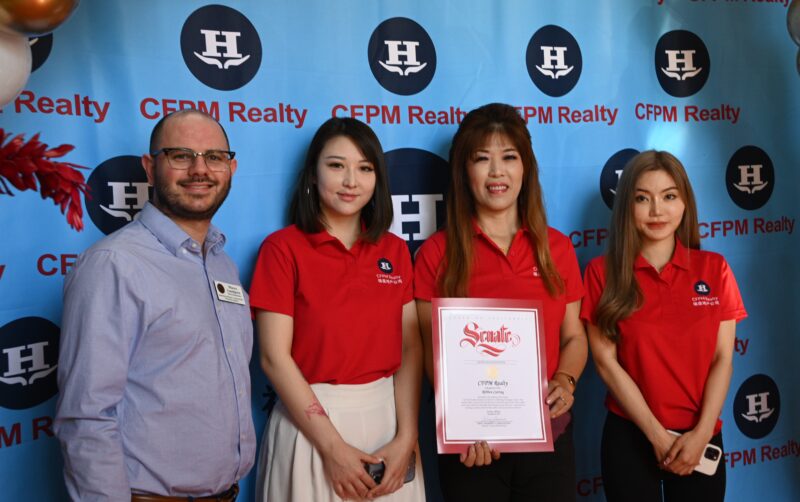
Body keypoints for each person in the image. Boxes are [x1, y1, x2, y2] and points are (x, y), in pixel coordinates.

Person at [54, 109, 256, 501]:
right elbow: (86, 416)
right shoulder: (114, 264)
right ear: (150, 168)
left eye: (214, 157)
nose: (200, 170)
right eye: (181, 155)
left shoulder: (221, 262)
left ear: (230, 168)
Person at [414, 103, 588, 501]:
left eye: (509, 157)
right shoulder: (436, 253)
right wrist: (465, 422)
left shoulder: (557, 248)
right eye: (482, 159)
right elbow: (429, 352)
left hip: (549, 435)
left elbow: (575, 337)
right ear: (464, 171)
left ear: (525, 167)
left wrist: (566, 380)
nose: (497, 172)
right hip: (472, 448)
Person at [249, 117, 425, 502]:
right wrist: (333, 449)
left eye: (365, 168)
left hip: (388, 426)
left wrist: (407, 436)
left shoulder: (395, 250)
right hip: (311, 427)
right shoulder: (282, 249)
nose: (351, 181)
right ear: (313, 174)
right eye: (336, 165)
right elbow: (273, 358)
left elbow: (411, 347)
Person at [581, 150, 746, 502]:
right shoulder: (601, 273)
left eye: (669, 196)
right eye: (643, 198)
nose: (657, 210)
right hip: (630, 434)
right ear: (627, 207)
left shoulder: (715, 269)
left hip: (700, 437)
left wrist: (702, 434)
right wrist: (656, 435)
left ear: (685, 202)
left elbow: (723, 359)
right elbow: (606, 363)